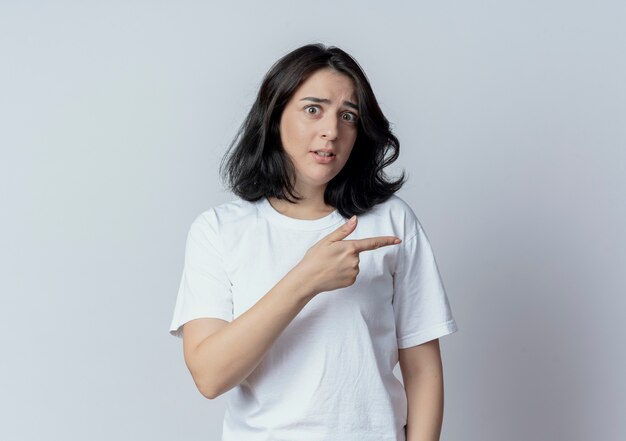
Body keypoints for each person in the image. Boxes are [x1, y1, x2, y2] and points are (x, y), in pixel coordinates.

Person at [169, 43, 458, 441]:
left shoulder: (392, 221)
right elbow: (210, 376)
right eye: (313, 109)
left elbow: (423, 369)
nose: (331, 130)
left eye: (348, 116)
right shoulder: (219, 230)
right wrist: (306, 278)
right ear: (274, 116)